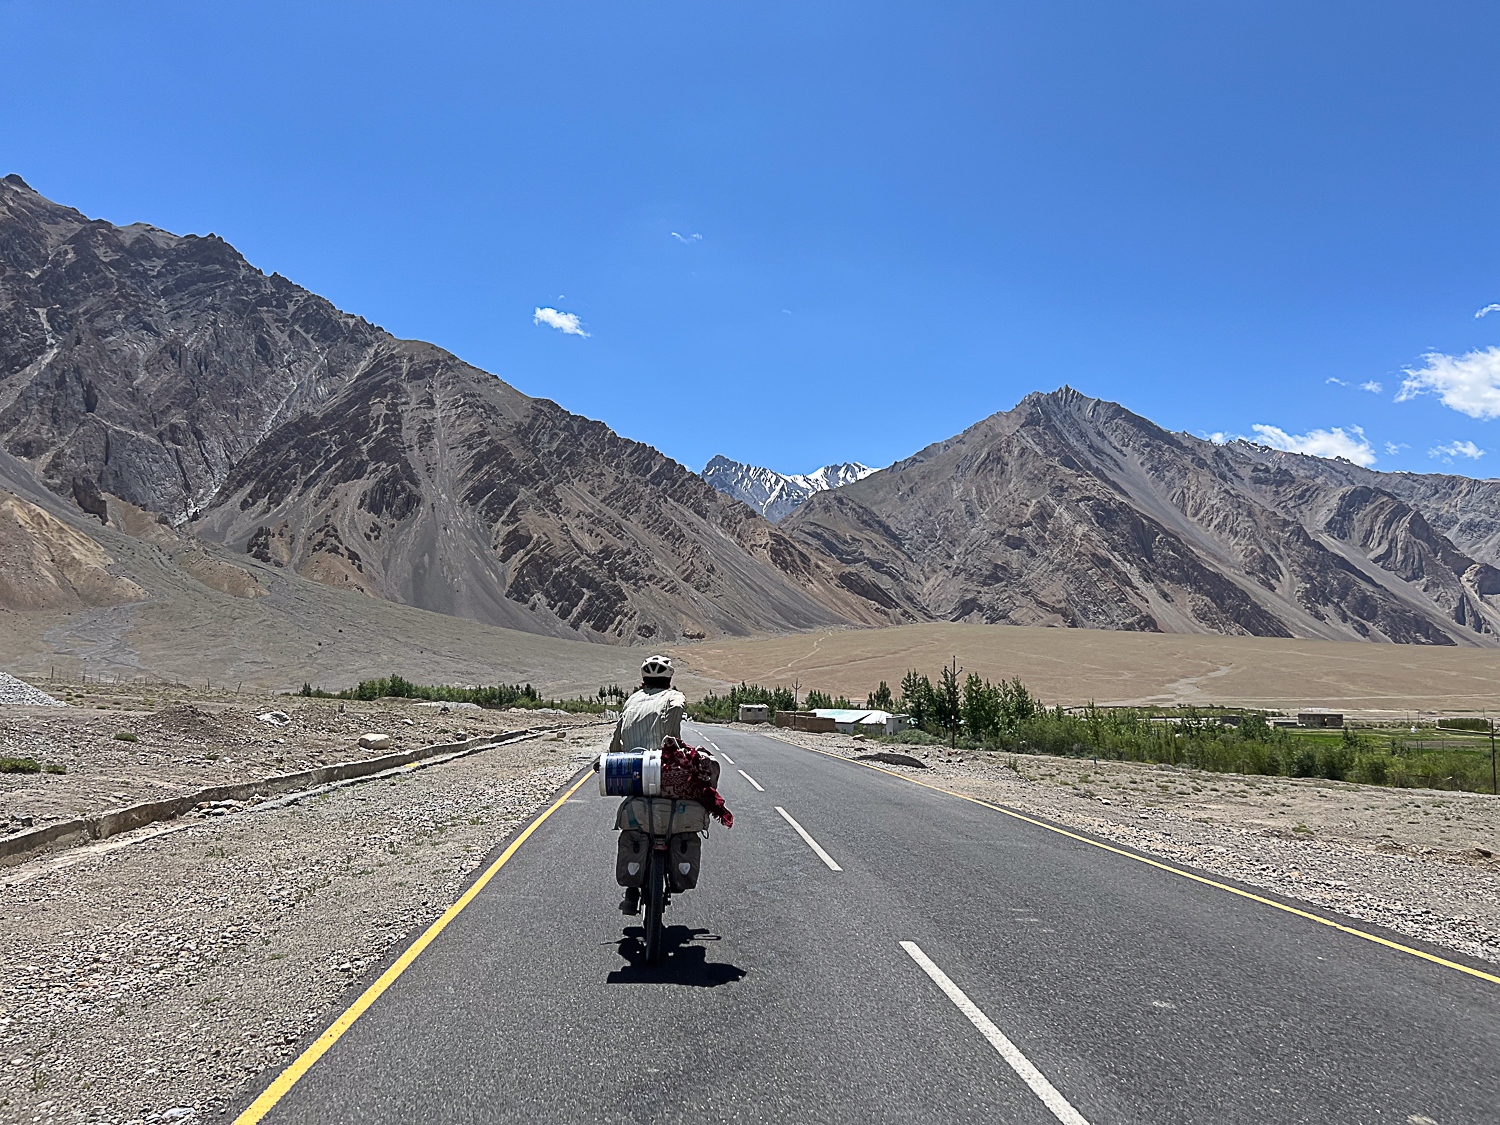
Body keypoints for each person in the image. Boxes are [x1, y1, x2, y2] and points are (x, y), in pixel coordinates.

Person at [608, 655, 719, 915]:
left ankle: (632, 890)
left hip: (634, 771)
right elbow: (678, 709)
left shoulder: (631, 701)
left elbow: (616, 739)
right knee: (687, 794)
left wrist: (612, 759)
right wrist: (672, 739)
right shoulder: (673, 697)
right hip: (664, 768)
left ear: (643, 679)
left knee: (636, 817)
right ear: (669, 679)